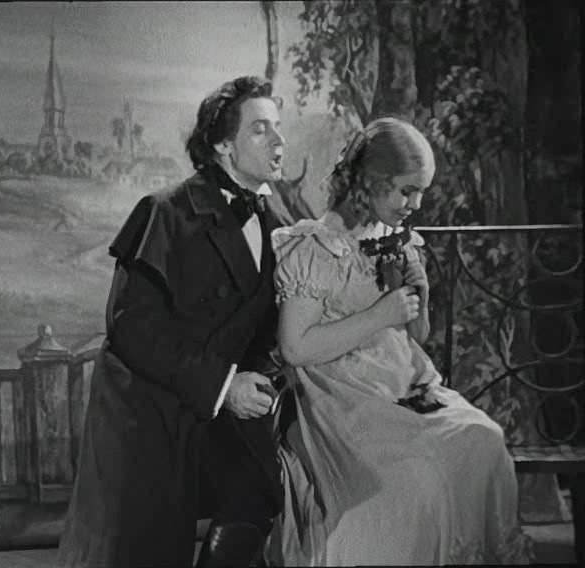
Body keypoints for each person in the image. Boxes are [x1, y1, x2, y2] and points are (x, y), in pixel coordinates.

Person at [264, 117, 535, 565]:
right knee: (413, 476)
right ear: (371, 182)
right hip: (339, 398)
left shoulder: (395, 240)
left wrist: (418, 299)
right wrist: (379, 315)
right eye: (407, 190)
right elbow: (295, 348)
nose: (416, 203)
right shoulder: (317, 249)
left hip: (401, 384)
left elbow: (416, 336)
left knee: (484, 440)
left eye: (422, 191)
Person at [56, 75, 289, 568]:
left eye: (278, 126)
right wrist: (224, 386)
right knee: (145, 551)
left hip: (211, 407)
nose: (278, 140)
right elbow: (131, 327)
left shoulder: (277, 227)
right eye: (260, 129)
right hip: (146, 409)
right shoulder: (165, 212)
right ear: (223, 145)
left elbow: (263, 327)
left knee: (259, 490)